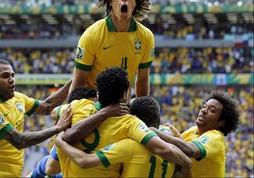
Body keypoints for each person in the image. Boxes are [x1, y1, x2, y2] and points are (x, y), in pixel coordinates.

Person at [55, 67, 192, 177]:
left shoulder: (78, 106)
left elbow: (53, 112)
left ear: (98, 93)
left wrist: (60, 136)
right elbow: (163, 148)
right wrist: (186, 163)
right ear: (125, 94)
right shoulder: (131, 123)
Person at [0, 59, 73, 177]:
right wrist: (57, 128)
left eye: (12, 75)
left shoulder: (17, 98)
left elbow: (46, 107)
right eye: (5, 76)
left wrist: (75, 80)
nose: (11, 80)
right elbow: (18, 140)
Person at [69, 0, 155, 98]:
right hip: (92, 107)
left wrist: (141, 113)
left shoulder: (146, 36)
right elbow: (78, 83)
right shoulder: (92, 35)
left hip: (121, 107)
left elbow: (142, 80)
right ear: (110, 0)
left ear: (136, 1)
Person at [55, 96, 176, 177]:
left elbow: (84, 161)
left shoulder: (129, 146)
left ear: (135, 118)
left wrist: (60, 142)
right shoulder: (171, 139)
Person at [152, 90, 240, 177]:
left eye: (212, 110)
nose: (204, 110)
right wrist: (171, 132)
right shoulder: (194, 130)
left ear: (221, 122)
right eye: (204, 106)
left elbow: (190, 150)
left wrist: (152, 131)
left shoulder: (216, 137)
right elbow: (181, 145)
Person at [30, 86, 97, 178]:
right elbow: (53, 112)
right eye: (88, 104)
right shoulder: (75, 110)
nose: (92, 108)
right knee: (51, 168)